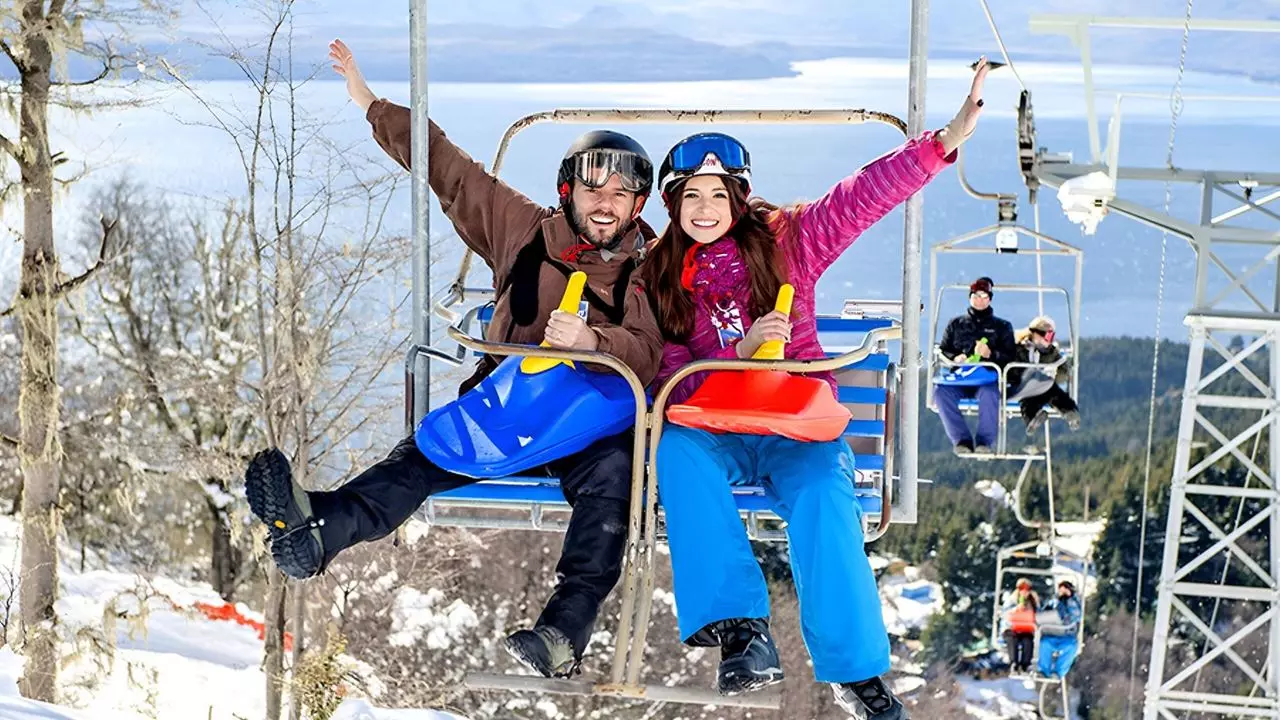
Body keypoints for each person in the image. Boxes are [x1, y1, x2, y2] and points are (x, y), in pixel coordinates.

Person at [242, 39, 664, 680]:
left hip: (592, 427)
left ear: (637, 205)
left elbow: (651, 351)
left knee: (614, 479)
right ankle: (318, 530)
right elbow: (449, 169)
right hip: (511, 408)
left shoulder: (652, 268)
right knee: (423, 454)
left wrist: (593, 345)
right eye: (592, 188)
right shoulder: (525, 232)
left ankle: (562, 631)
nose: (605, 203)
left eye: (621, 193)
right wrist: (369, 101)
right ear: (568, 190)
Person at [641, 58, 991, 720]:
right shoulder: (658, 276)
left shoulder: (788, 243)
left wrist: (941, 143)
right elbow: (665, 372)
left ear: (739, 199)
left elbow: (860, 197)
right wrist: (738, 355)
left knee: (826, 499)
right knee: (678, 454)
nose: (706, 210)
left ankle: (857, 673)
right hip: (713, 427)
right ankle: (742, 633)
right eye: (691, 197)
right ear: (673, 204)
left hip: (793, 424)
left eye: (719, 195)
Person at [934, 276, 1017, 455]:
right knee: (940, 393)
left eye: (984, 296)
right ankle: (961, 440)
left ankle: (984, 442)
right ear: (970, 298)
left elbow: (1010, 356)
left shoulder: (1002, 327)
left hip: (986, 379)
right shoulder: (956, 325)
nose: (980, 300)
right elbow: (944, 350)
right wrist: (956, 358)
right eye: (976, 296)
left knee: (989, 395)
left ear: (990, 299)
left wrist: (990, 354)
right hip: (960, 379)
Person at [1008, 315, 1080, 436]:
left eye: (1051, 336)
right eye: (1047, 336)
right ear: (1035, 333)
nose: (1049, 340)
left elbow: (1063, 367)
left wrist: (1057, 378)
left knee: (1050, 390)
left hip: (1039, 386)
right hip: (1021, 385)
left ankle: (1069, 412)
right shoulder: (1018, 348)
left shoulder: (1050, 352)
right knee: (1030, 396)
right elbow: (1011, 368)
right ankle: (1033, 417)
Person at [1037, 580, 1083, 679]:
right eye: (1061, 591)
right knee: (1044, 644)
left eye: (1065, 590)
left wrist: (1068, 600)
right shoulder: (1053, 601)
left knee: (1071, 646)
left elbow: (1077, 616)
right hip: (1052, 633)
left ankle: (1059, 672)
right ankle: (1043, 671)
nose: (1062, 593)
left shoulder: (1074, 602)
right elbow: (1042, 612)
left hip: (1067, 634)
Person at [1003, 578, 1039, 674]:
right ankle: (1014, 663)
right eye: (1021, 588)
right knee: (1012, 640)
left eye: (1027, 589)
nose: (1024, 591)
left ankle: (1025, 665)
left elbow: (1039, 614)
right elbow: (1005, 613)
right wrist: (1016, 609)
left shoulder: (1032, 602)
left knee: (1027, 641)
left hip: (1025, 629)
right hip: (1012, 628)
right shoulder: (1011, 600)